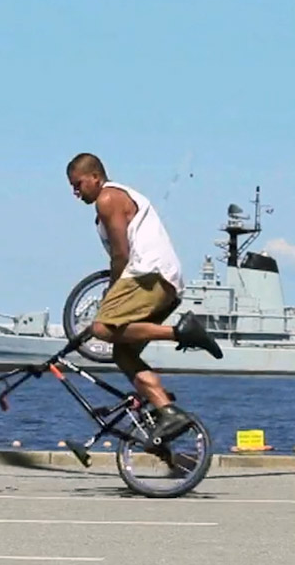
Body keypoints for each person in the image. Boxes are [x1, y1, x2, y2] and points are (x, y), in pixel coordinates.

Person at [66, 152, 222, 444]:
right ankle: (168, 411)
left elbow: (121, 255)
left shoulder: (108, 198)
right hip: (162, 281)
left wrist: (111, 294)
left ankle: (182, 332)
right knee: (122, 354)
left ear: (95, 177)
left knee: (102, 327)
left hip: (150, 274)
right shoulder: (113, 202)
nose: (75, 192)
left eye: (78, 184)